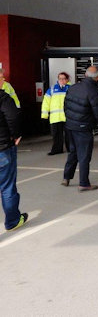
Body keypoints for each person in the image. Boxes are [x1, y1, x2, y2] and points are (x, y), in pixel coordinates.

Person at [62, 66, 98, 192]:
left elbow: (65, 106)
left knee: (73, 152)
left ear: (85, 75)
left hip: (70, 126)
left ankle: (66, 177)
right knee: (84, 156)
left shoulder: (73, 88)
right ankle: (83, 183)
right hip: (83, 128)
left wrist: (70, 121)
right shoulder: (95, 92)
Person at [0, 84, 27, 231]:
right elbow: (13, 117)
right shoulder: (3, 98)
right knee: (7, 187)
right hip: (3, 149)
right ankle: (12, 221)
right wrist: (16, 135)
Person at [41, 72, 71, 155]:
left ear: (67, 80)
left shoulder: (71, 88)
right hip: (55, 117)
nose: (62, 80)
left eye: (64, 78)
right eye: (60, 78)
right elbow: (46, 102)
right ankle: (57, 149)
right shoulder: (52, 89)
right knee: (56, 135)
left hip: (68, 116)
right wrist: (44, 114)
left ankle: (71, 149)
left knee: (69, 134)